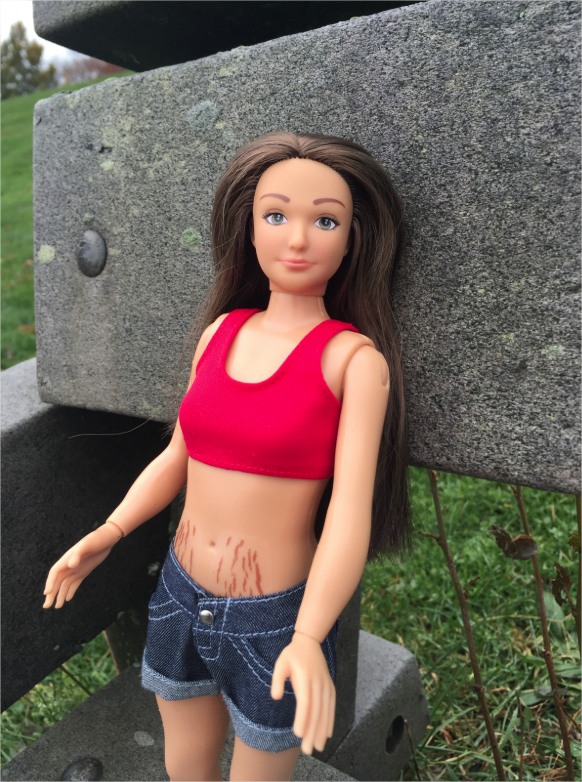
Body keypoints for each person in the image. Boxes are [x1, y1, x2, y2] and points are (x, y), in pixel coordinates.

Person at [43, 132, 412, 782]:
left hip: (273, 623)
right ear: (249, 226)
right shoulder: (220, 333)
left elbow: (349, 514)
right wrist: (111, 531)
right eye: (277, 215)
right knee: (183, 764)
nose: (298, 239)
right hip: (179, 592)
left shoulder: (352, 362)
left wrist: (308, 636)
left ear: (353, 240)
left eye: (325, 221)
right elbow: (177, 458)